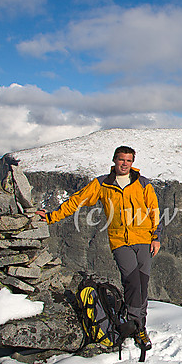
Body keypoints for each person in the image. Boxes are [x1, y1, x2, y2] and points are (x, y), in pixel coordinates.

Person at [36, 146, 161, 352]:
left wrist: (156, 237)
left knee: (142, 285)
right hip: (120, 242)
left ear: (133, 162)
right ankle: (136, 326)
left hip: (144, 239)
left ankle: (139, 326)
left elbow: (153, 209)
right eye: (121, 160)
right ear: (114, 160)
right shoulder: (102, 184)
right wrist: (51, 216)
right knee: (131, 282)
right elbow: (77, 201)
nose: (124, 164)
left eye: (128, 161)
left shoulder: (142, 183)